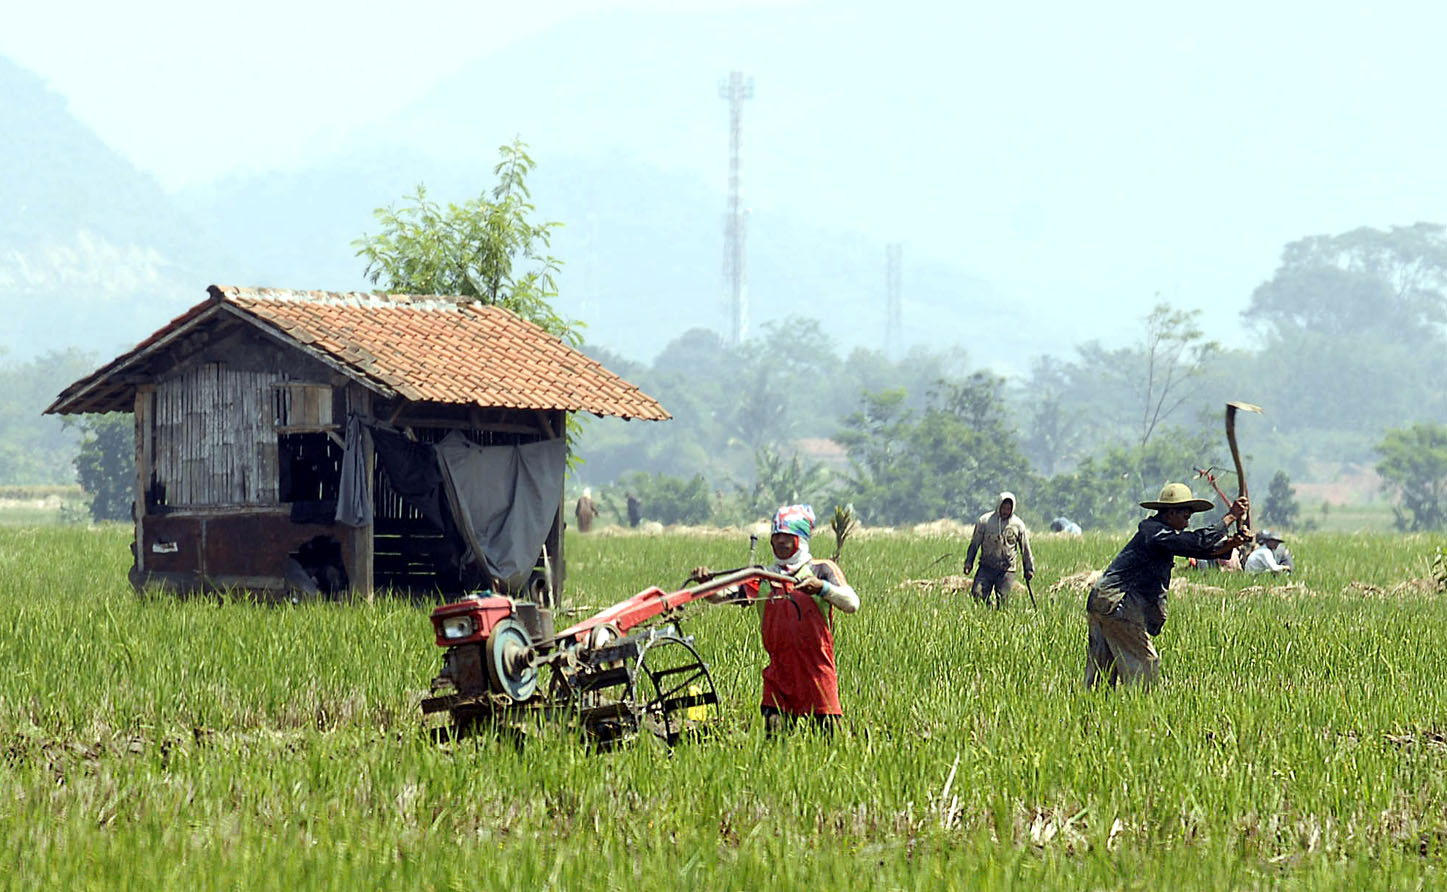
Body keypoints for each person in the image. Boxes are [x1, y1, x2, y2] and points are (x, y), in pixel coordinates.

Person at [692, 504, 860, 735]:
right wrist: (705, 584)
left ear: (800, 540)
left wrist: (822, 588)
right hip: (779, 674)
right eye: (776, 537)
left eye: (787, 537)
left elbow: (852, 603)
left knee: (830, 735)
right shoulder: (761, 577)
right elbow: (720, 596)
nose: (781, 542)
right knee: (776, 740)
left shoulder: (821, 570)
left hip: (817, 671)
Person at [1084, 483, 1251, 689]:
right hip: (1118, 603)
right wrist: (1230, 517)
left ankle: (1094, 712)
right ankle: (1140, 711)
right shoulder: (1155, 532)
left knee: (1102, 669)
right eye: (1185, 515)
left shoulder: (1163, 535)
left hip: (1104, 602)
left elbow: (1201, 550)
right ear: (1171, 513)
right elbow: (1196, 543)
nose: (1187, 520)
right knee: (1144, 663)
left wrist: (1232, 544)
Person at [964, 491, 1035, 608]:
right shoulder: (985, 521)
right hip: (986, 566)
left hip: (1006, 569)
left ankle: (999, 618)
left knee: (1003, 600)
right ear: (998, 506)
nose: (1006, 511)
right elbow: (975, 543)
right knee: (977, 593)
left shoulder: (1018, 525)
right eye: (1004, 508)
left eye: (1008, 509)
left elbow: (1025, 549)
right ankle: (988, 611)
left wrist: (1029, 568)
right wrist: (968, 562)